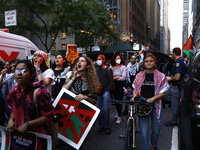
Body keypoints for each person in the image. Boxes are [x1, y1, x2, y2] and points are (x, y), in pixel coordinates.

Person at [132, 52, 169, 150]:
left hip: (156, 105)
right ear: (143, 63)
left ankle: (154, 144)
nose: (148, 63)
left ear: (154, 62)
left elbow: (164, 92)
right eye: (146, 61)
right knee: (144, 132)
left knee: (156, 130)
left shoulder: (161, 76)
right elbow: (134, 88)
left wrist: (153, 99)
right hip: (142, 105)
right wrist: (135, 97)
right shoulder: (139, 75)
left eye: (151, 61)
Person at [6, 60, 54, 135]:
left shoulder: (39, 93)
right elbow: (12, 108)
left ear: (31, 75)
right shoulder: (13, 92)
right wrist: (11, 120)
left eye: (23, 71)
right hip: (18, 136)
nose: (19, 73)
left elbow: (48, 116)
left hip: (38, 138)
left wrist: (28, 124)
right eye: (16, 70)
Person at [63, 56, 99, 149]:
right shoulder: (72, 76)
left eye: (82, 61)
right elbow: (63, 91)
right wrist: (73, 78)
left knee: (82, 139)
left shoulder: (92, 81)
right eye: (78, 61)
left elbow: (94, 100)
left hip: (84, 114)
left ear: (87, 66)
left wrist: (85, 97)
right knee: (70, 138)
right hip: (71, 112)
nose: (79, 62)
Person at [165, 47, 187, 126]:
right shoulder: (182, 61)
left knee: (175, 105)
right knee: (165, 95)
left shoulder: (178, 62)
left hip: (176, 86)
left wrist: (169, 78)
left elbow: (177, 77)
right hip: (178, 86)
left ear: (174, 54)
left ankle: (174, 121)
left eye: (172, 54)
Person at [96, 54, 113, 134]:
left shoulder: (108, 69)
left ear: (104, 60)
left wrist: (108, 90)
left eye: (100, 59)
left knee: (105, 109)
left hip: (106, 91)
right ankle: (101, 125)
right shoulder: (96, 70)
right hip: (98, 92)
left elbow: (111, 81)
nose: (99, 60)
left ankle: (107, 126)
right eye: (98, 59)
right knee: (98, 109)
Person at [110, 54, 126, 124]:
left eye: (119, 58)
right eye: (117, 58)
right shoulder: (111, 67)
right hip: (114, 86)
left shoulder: (123, 67)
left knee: (119, 100)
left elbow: (123, 77)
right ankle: (118, 113)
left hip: (121, 85)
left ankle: (119, 116)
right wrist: (118, 76)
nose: (118, 59)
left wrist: (114, 78)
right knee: (116, 100)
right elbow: (110, 77)